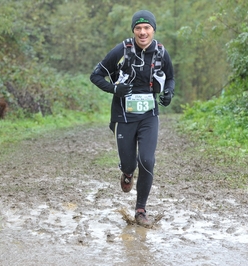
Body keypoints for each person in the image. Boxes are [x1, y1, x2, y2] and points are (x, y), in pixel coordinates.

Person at [90, 10, 175, 227]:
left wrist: (168, 94)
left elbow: (171, 78)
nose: (143, 32)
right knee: (129, 163)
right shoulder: (123, 50)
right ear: (134, 31)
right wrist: (114, 89)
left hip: (149, 115)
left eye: (147, 28)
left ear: (153, 30)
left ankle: (140, 210)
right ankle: (127, 172)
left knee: (147, 160)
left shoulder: (161, 52)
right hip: (124, 115)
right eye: (138, 28)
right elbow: (96, 75)